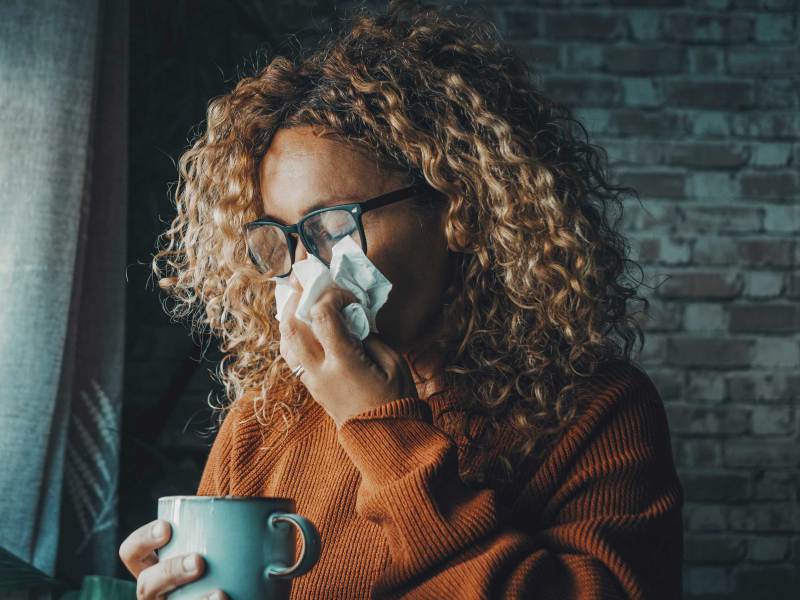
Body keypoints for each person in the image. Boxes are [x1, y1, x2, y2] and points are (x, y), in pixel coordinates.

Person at [119, 1, 684, 598]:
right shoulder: (265, 421)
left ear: (456, 209)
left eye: (332, 226)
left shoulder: (596, 413)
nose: (306, 270)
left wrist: (384, 430)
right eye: (283, 237)